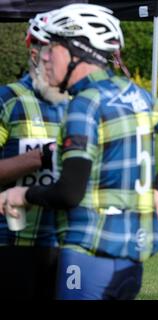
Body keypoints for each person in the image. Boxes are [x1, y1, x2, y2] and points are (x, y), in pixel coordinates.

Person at [0, 3, 158, 300]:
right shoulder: (132, 93)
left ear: (75, 51)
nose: (44, 56)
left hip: (86, 249)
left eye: (51, 48)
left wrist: (20, 195)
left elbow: (68, 193)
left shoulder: (85, 102)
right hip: (125, 256)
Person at [0, 10, 68, 299]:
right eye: (47, 52)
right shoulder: (9, 99)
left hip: (69, 243)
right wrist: (42, 156)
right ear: (33, 52)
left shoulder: (83, 102)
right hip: (14, 243)